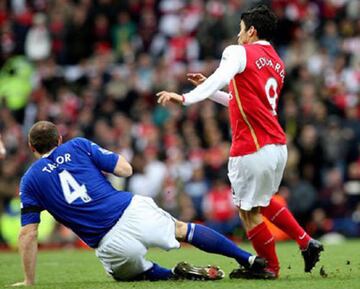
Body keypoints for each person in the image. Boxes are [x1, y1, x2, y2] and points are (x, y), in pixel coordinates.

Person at [157, 5, 323, 279]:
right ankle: (306, 242)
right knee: (263, 200)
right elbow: (241, 101)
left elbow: (221, 77)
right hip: (276, 145)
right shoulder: (277, 63)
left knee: (248, 212)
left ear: (252, 31)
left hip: (251, 147)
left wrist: (186, 97)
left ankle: (270, 268)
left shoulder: (238, 52)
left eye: (241, 29)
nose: (238, 35)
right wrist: (209, 90)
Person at [12, 121, 266, 286]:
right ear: (59, 140)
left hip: (108, 241)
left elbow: (28, 233)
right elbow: (125, 170)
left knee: (133, 273)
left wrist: (29, 281)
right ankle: (249, 260)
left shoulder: (30, 180)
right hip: (130, 209)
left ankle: (174, 274)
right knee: (182, 229)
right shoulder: (77, 145)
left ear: (32, 147)